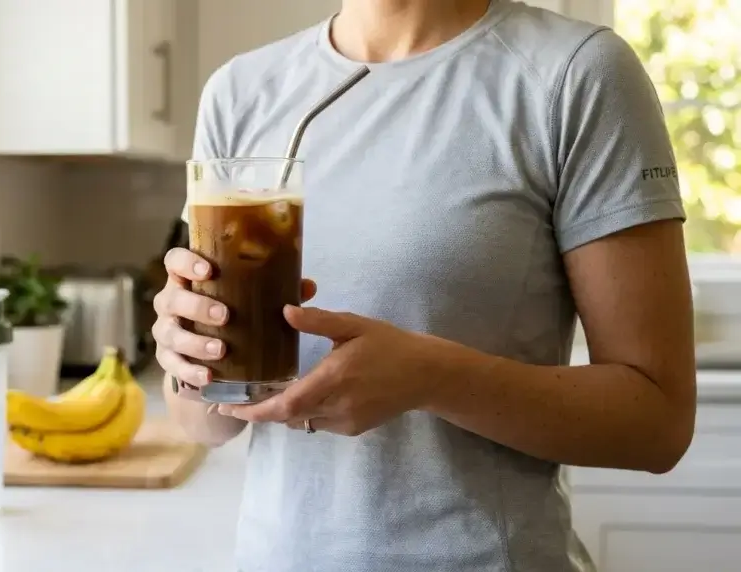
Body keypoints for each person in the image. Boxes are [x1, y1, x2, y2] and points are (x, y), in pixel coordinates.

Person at [151, 0, 697, 570]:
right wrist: (190, 357)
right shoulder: (239, 91)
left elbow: (656, 424)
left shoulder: (575, 74)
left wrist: (434, 378)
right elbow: (201, 422)